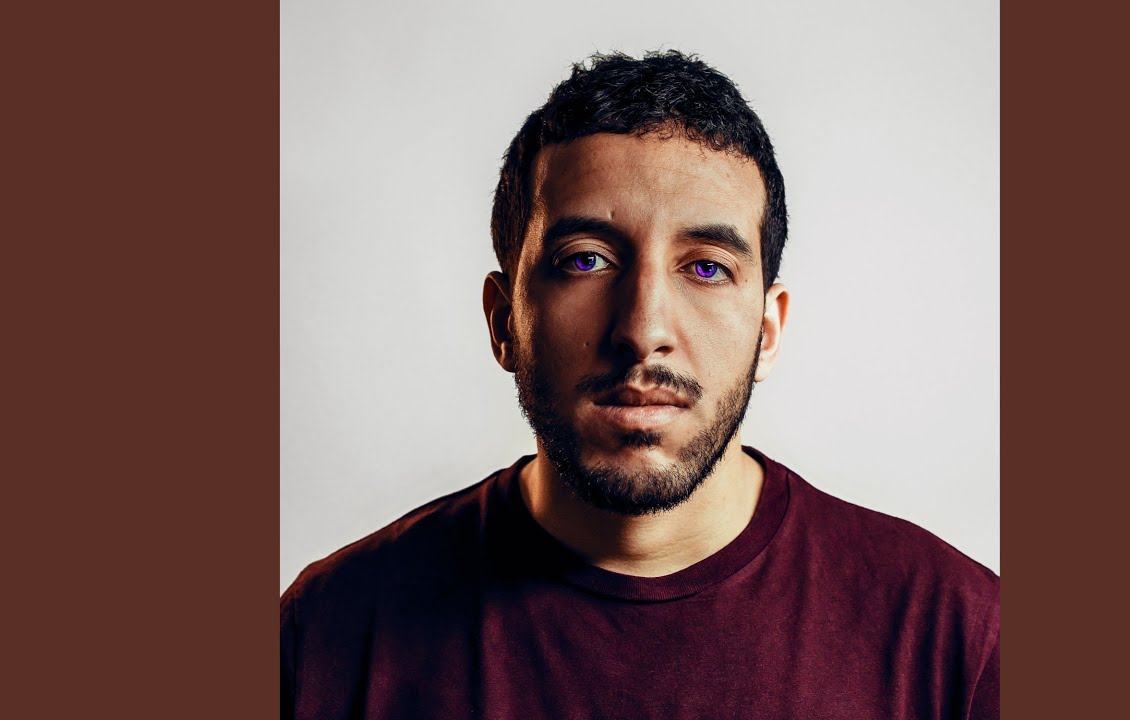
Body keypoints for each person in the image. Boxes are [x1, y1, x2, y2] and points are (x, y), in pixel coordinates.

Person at [281, 50, 999, 719]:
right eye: (586, 260)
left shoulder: (960, 639)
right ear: (504, 322)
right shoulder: (325, 636)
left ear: (767, 330)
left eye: (707, 267)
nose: (643, 328)